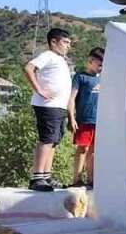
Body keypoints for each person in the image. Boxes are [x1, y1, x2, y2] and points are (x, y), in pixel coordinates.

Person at [22, 28, 73, 191]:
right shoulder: (48, 55)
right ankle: (37, 178)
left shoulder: (61, 59)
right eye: (65, 42)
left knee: (54, 141)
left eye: (69, 43)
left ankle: (46, 176)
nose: (68, 46)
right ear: (53, 42)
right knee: (47, 139)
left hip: (59, 106)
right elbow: (28, 68)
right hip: (47, 105)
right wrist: (39, 90)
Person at [69, 47, 104, 188]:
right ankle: (76, 179)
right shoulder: (80, 77)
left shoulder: (103, 78)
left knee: (94, 151)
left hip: (100, 122)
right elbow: (71, 98)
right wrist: (71, 117)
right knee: (82, 149)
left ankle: (91, 180)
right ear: (91, 61)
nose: (101, 68)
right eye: (99, 65)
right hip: (84, 121)